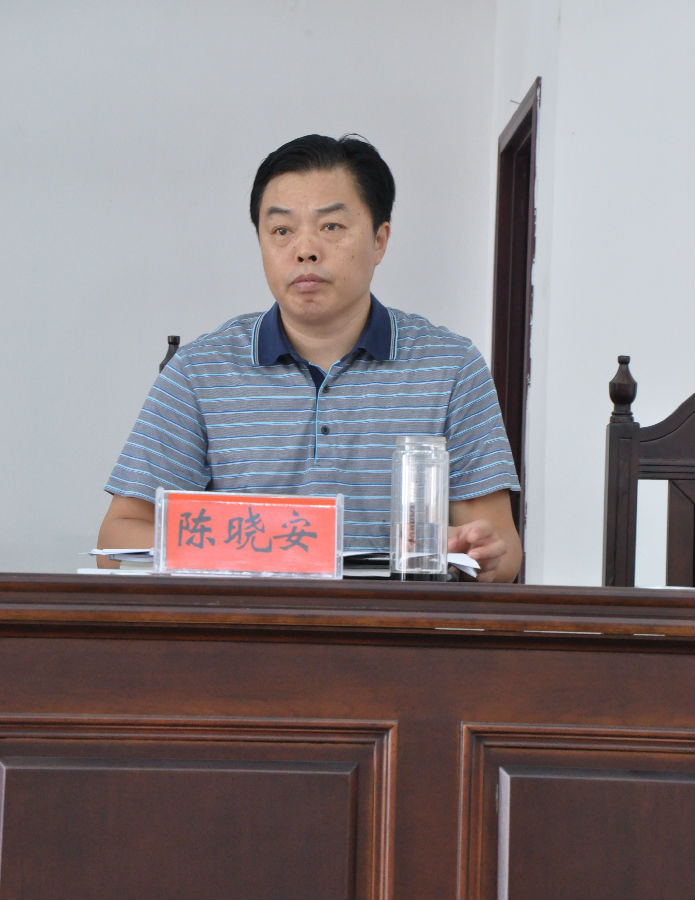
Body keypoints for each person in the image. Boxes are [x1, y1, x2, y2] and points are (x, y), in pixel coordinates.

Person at [98, 134, 522, 581]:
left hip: (395, 622)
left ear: (379, 240)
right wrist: (264, 546)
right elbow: (117, 539)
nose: (304, 250)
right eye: (281, 231)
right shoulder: (200, 373)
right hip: (245, 622)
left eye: (331, 227)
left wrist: (480, 553)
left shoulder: (450, 367)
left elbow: (501, 547)